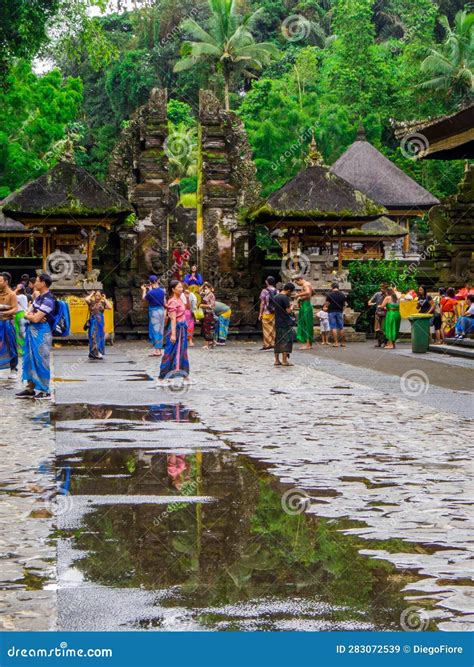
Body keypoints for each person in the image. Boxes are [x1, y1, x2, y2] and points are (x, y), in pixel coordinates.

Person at [16, 273, 55, 399]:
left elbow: (36, 318)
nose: (35, 283)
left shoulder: (48, 299)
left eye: (37, 281)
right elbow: (29, 313)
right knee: (29, 358)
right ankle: (30, 387)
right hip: (32, 330)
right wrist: (31, 315)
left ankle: (45, 390)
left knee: (41, 360)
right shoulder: (39, 298)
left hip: (42, 333)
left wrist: (30, 315)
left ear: (43, 283)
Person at [159, 280, 190, 382]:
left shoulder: (180, 299)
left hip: (182, 329)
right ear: (173, 289)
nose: (182, 289)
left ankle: (185, 375)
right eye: (179, 287)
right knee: (170, 352)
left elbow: (186, 308)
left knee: (182, 351)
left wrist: (186, 296)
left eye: (182, 287)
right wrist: (173, 334)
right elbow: (173, 319)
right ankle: (162, 377)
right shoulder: (172, 301)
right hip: (176, 329)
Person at [0, 272, 19, 379]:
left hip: (7, 323)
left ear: (6, 282)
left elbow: (15, 309)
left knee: (11, 345)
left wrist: (4, 313)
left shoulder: (12, 294)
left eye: (0, 280)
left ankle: (13, 368)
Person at [142, 275, 166, 357]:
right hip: (161, 311)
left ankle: (157, 350)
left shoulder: (150, 293)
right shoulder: (163, 291)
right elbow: (164, 301)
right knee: (160, 329)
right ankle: (158, 349)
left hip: (154, 312)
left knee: (155, 330)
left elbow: (144, 298)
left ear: (150, 282)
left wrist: (144, 290)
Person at [85, 290, 112, 360]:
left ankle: (97, 351)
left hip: (100, 323)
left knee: (99, 337)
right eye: (96, 295)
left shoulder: (103, 303)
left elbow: (110, 307)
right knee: (92, 336)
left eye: (98, 295)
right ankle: (93, 352)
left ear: (101, 296)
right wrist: (91, 294)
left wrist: (105, 299)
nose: (97, 297)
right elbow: (86, 299)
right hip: (92, 322)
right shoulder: (91, 302)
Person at [273, 283, 295, 367]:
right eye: (291, 292)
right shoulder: (285, 298)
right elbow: (288, 311)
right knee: (286, 340)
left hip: (277, 321)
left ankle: (276, 360)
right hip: (285, 321)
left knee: (278, 340)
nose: (291, 294)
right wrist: (292, 306)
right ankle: (285, 360)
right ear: (288, 290)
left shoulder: (276, 297)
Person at [294, 275, 314, 350]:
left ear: (300, 279)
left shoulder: (305, 284)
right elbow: (311, 293)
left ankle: (308, 344)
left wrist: (298, 295)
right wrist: (301, 298)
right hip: (306, 304)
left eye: (297, 282)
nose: (298, 284)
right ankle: (309, 344)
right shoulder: (309, 284)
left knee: (306, 325)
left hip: (306, 305)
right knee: (307, 324)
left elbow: (308, 292)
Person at [258, 276, 277, 351]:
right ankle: (273, 343)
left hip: (266, 312)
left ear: (267, 282)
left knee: (266, 329)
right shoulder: (277, 291)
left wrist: (260, 313)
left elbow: (262, 303)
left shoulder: (264, 291)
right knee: (273, 328)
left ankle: (267, 344)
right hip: (274, 312)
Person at [325, 282, 346, 348]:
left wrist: (326, 307)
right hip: (339, 312)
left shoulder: (329, 295)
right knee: (341, 327)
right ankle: (343, 343)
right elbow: (344, 304)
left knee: (333, 327)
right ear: (338, 287)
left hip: (331, 312)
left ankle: (336, 343)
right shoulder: (342, 295)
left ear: (332, 287)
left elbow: (327, 304)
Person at [368, 283, 388, 347]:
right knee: (377, 329)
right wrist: (372, 303)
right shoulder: (377, 294)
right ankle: (379, 342)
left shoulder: (388, 295)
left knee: (384, 328)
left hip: (385, 313)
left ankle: (385, 342)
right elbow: (369, 302)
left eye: (383, 288)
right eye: (381, 288)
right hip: (378, 313)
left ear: (386, 289)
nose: (382, 289)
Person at [199, 282, 216, 349]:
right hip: (204, 313)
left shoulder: (211, 295)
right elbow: (198, 291)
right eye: (205, 288)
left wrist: (203, 305)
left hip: (209, 313)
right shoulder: (204, 295)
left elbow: (212, 306)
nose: (205, 290)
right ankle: (211, 341)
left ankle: (207, 343)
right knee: (204, 328)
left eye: (206, 288)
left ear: (210, 289)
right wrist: (203, 284)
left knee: (207, 328)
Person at [14, 285, 28, 357]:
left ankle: (26, 350)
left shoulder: (22, 296)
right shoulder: (21, 296)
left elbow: (12, 296)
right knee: (18, 333)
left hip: (21, 314)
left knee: (22, 333)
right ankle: (20, 350)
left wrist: (16, 289)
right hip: (17, 315)